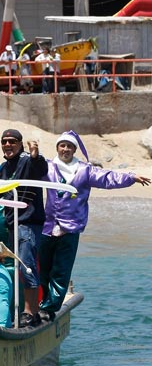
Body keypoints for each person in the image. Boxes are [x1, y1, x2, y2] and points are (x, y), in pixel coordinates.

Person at [38, 131, 150, 322]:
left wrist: (131, 177)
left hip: (70, 229)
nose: (65, 149)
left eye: (69, 146)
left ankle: (49, 307)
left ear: (74, 149)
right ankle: (40, 302)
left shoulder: (85, 170)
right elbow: (26, 173)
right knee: (43, 269)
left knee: (61, 271)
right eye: (62, 145)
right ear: (57, 147)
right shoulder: (47, 167)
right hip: (48, 227)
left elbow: (108, 178)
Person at [0, 128, 48, 327]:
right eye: (4, 142)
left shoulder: (28, 161)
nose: (8, 145)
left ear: (20, 144)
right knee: (19, 267)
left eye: (12, 141)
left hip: (28, 222)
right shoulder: (4, 167)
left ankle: (30, 312)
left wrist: (36, 155)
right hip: (12, 223)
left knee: (27, 265)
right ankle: (27, 310)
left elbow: (40, 169)